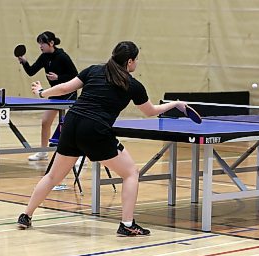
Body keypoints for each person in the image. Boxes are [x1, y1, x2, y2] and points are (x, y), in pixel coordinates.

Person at [17, 41, 188, 236]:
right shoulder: (132, 84)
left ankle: (26, 215)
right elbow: (151, 111)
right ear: (130, 61)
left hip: (72, 124)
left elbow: (64, 88)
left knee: (53, 176)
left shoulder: (93, 70)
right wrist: (174, 104)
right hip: (95, 130)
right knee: (131, 173)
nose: (136, 63)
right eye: (136, 60)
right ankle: (127, 223)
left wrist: (42, 92)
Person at [16, 31, 78, 161]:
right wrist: (25, 62)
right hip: (55, 93)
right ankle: (43, 152)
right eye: (39, 43)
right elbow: (32, 72)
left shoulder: (63, 57)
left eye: (42, 43)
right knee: (45, 122)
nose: (40, 46)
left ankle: (76, 157)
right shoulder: (44, 57)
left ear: (51, 43)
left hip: (68, 93)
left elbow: (75, 76)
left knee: (67, 125)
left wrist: (58, 77)